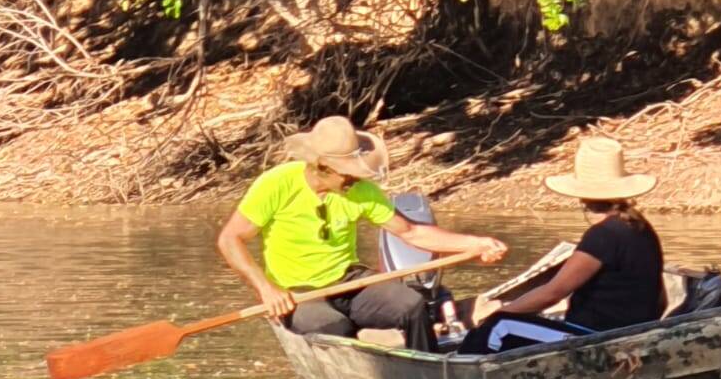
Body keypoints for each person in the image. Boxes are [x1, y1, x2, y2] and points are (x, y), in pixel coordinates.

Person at [217, 116, 507, 352]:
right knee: (332, 327)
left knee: (412, 305)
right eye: (347, 173)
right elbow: (230, 240)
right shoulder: (276, 184)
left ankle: (427, 369)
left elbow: (412, 233)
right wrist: (267, 290)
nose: (354, 179)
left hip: (348, 281)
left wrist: (474, 243)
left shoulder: (362, 191)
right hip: (298, 293)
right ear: (322, 167)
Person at [457, 137, 662, 355]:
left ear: (583, 197)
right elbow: (661, 299)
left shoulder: (603, 235)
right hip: (628, 330)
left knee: (497, 327)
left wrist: (500, 312)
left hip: (594, 335)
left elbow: (552, 293)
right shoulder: (641, 227)